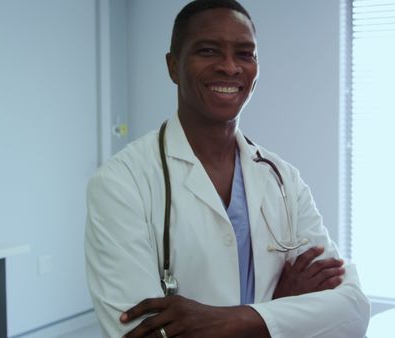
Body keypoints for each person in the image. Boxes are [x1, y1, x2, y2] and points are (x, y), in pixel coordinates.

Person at [85, 1, 370, 337]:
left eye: (245, 54)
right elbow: (139, 334)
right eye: (208, 51)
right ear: (173, 66)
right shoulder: (121, 183)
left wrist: (239, 319)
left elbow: (352, 311)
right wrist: (278, 311)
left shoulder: (282, 179)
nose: (230, 67)